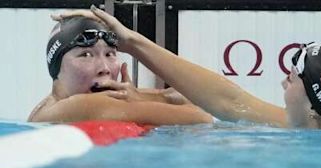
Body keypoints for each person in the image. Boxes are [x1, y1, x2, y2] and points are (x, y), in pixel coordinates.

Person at [53, 6, 321, 129]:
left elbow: (206, 114)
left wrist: (140, 103)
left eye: (297, 71)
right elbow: (228, 101)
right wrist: (132, 42)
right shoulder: (320, 124)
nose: (287, 76)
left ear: (316, 105)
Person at [28, 16, 213, 125]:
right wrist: (141, 99)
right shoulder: (79, 106)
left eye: (110, 54)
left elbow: (183, 97)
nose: (105, 69)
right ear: (56, 67)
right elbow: (202, 116)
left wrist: (139, 97)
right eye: (86, 55)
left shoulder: (51, 105)